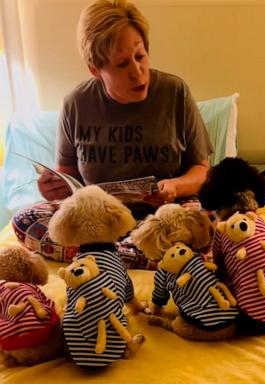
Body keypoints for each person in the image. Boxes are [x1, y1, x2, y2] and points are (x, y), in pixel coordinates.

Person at [12, 0, 213, 269]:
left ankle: (102, 256)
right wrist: (54, 188)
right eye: (121, 64)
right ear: (96, 70)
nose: (136, 71)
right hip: (99, 220)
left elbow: (201, 170)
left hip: (166, 214)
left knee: (208, 222)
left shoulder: (175, 92)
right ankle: (146, 254)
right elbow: (68, 175)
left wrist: (175, 186)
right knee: (25, 220)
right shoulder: (76, 103)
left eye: (140, 56)